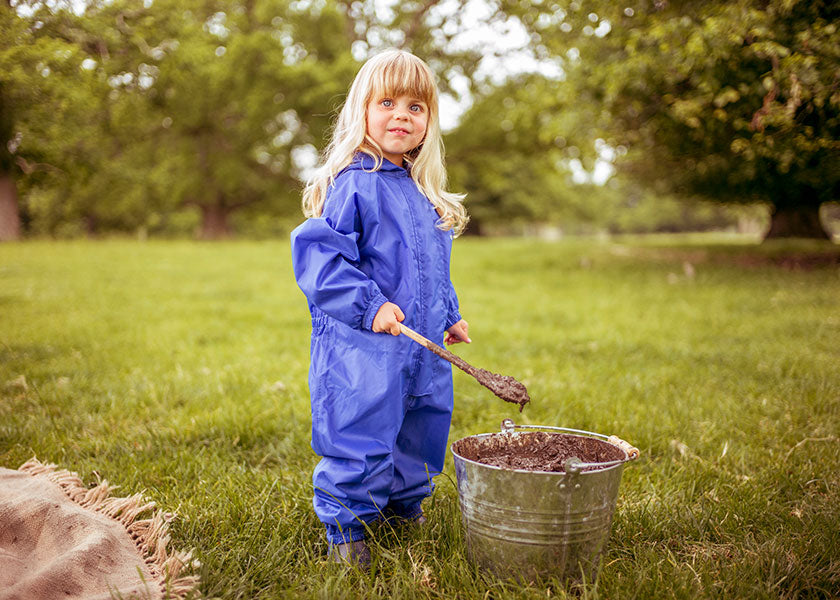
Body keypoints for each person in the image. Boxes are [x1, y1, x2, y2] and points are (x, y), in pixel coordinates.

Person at [290, 48, 470, 567]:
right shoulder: (355, 182)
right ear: (361, 111)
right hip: (363, 348)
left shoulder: (421, 191)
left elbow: (432, 266)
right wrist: (370, 307)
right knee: (361, 430)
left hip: (421, 344)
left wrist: (448, 313)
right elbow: (320, 258)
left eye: (416, 107)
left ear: (429, 122)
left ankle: (402, 509)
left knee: (419, 425)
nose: (401, 116)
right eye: (387, 102)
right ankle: (348, 529)